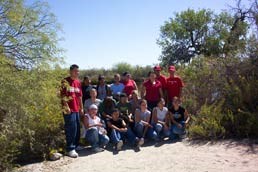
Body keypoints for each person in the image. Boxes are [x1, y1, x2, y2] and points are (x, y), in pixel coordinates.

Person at [61, 64, 84, 158]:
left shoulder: (78, 82)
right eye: (75, 71)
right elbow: (63, 96)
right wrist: (66, 107)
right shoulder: (65, 81)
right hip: (68, 110)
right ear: (70, 71)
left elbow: (80, 97)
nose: (77, 73)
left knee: (77, 127)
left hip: (76, 109)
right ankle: (70, 149)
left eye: (78, 71)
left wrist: (81, 108)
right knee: (71, 128)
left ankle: (76, 145)